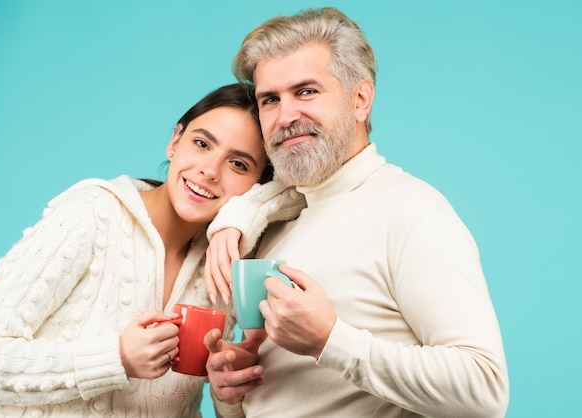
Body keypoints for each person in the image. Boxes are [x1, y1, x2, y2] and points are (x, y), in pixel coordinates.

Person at [202, 7, 510, 418]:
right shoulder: (268, 228)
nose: (286, 116)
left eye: (306, 91)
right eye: (270, 100)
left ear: (360, 99)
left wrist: (329, 340)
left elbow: (485, 391)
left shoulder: (411, 211)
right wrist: (231, 396)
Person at [0, 83, 272, 417]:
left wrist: (228, 397)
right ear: (175, 141)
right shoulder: (91, 215)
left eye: (238, 164)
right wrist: (115, 358)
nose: (210, 170)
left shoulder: (227, 264)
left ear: (256, 189)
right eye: (202, 143)